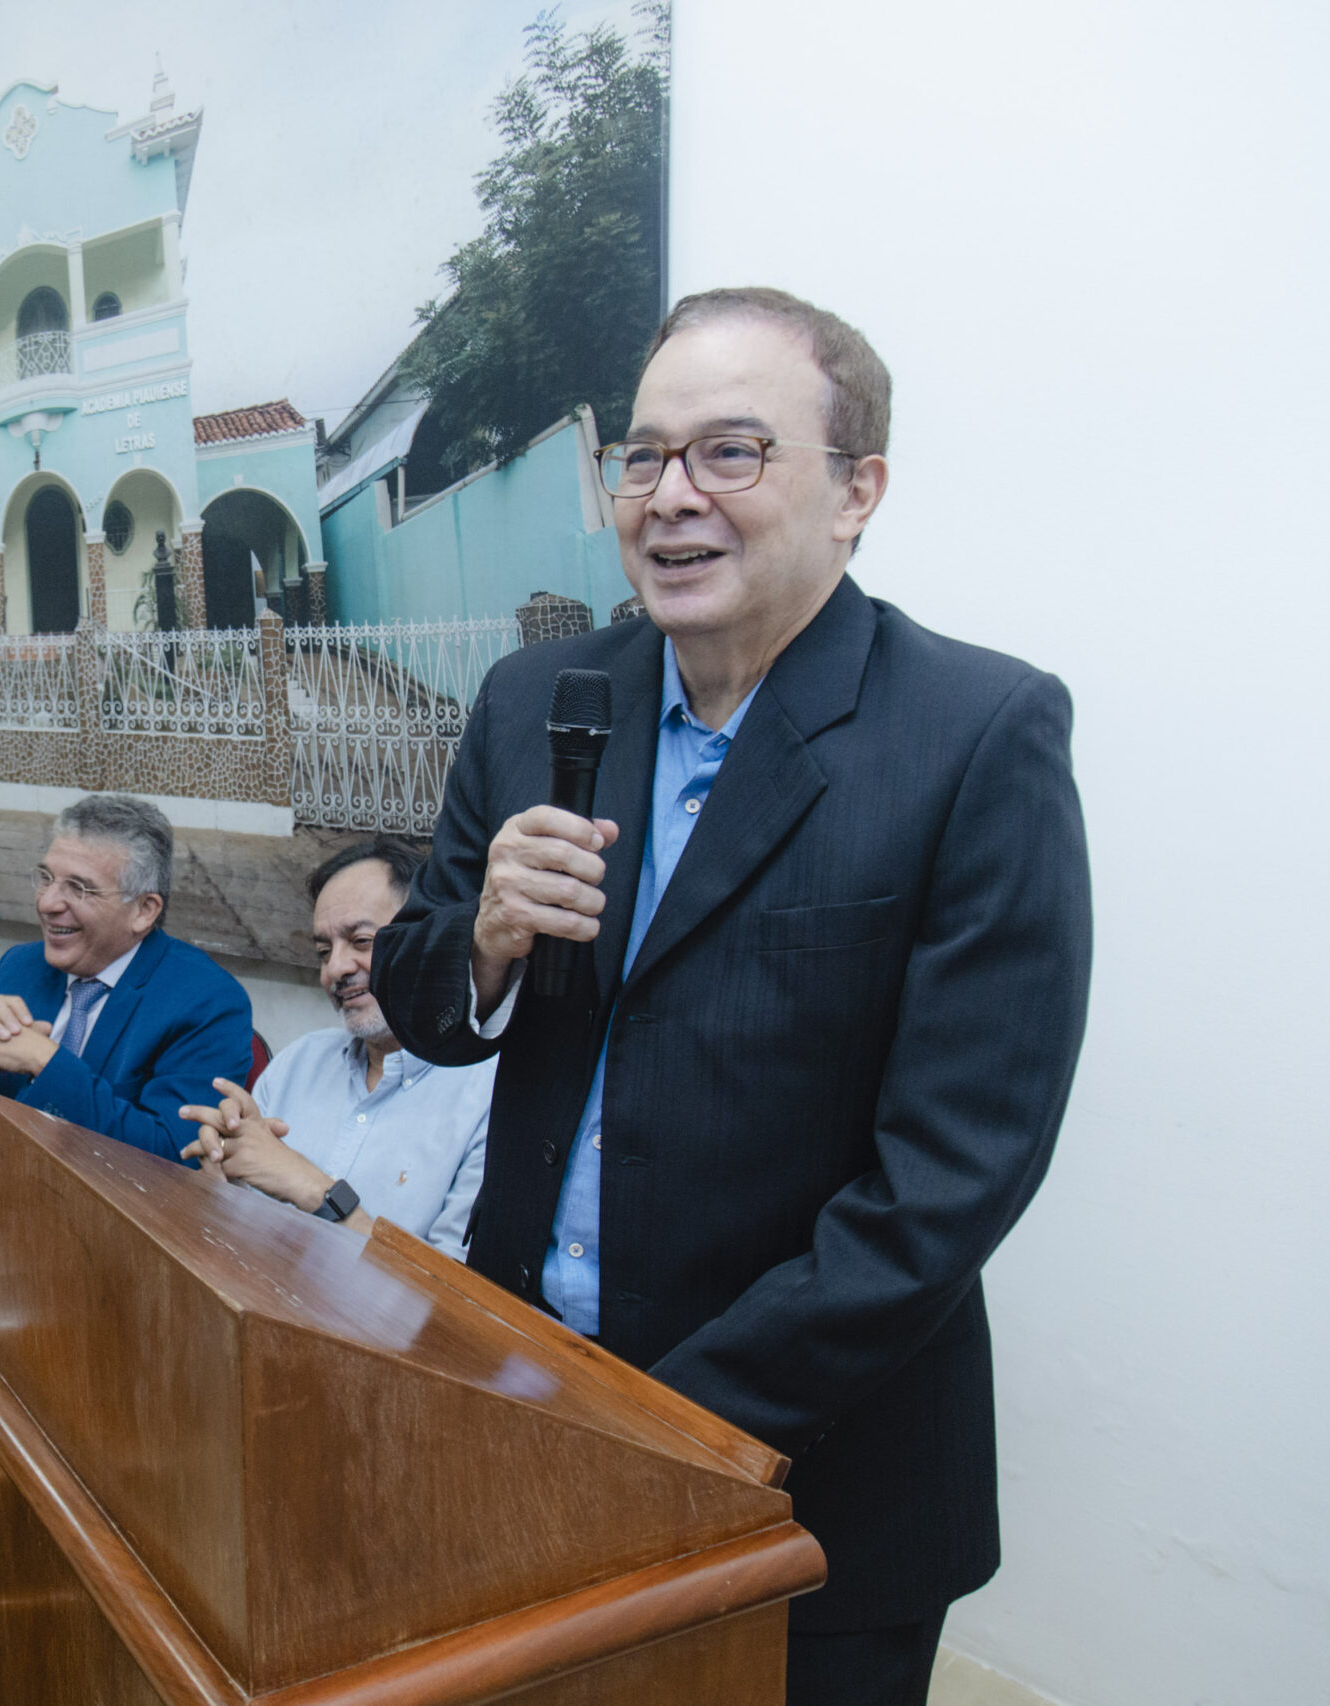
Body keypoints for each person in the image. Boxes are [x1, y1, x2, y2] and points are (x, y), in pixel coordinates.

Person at [369, 288, 1091, 1705]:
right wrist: (486, 942)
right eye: (642, 458)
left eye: (732, 453)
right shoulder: (536, 698)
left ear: (857, 490)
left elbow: (950, 1176)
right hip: (526, 1400)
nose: (669, 498)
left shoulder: (975, 733)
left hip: (813, 1477)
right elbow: (419, 994)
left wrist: (664, 1424)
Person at [0, 793, 251, 1169]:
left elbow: (172, 1162)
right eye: (47, 879)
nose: (48, 903)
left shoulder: (206, 1002)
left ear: (143, 910)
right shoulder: (21, 968)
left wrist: (47, 1063)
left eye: (79, 888)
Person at [178, 838, 491, 1254]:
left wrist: (315, 1190)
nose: (336, 970)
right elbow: (231, 1242)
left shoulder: (489, 1093)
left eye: (361, 942)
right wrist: (222, 1180)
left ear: (431, 940)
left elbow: (456, 1302)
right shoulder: (300, 1062)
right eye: (324, 951)